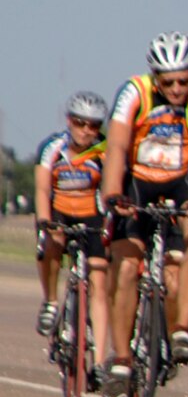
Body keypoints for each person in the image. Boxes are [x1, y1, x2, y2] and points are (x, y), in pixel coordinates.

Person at [100, 32, 188, 397]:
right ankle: (123, 358)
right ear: (155, 78)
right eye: (168, 82)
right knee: (125, 266)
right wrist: (113, 194)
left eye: (184, 81)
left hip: (181, 178)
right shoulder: (134, 93)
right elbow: (117, 145)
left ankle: (181, 330)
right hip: (137, 180)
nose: (176, 89)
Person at [34, 91, 113, 381]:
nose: (87, 131)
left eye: (94, 125)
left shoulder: (103, 149)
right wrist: (45, 221)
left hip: (91, 211)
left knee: (100, 279)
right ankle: (51, 301)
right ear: (69, 121)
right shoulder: (53, 147)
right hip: (59, 210)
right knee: (50, 244)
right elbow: (43, 189)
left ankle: (102, 361)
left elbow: (111, 189)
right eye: (81, 123)